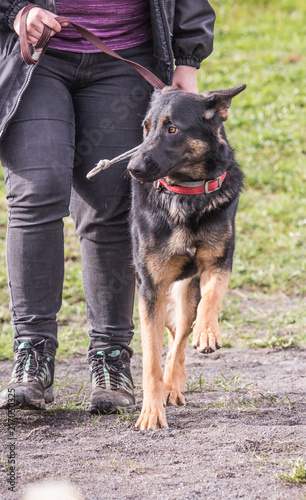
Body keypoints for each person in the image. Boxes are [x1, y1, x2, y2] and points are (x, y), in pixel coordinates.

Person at [0, 0, 215, 412]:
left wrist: (187, 57)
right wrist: (16, 10)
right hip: (33, 55)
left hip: (126, 56)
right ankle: (32, 356)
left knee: (111, 205)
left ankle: (112, 357)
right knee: (36, 190)